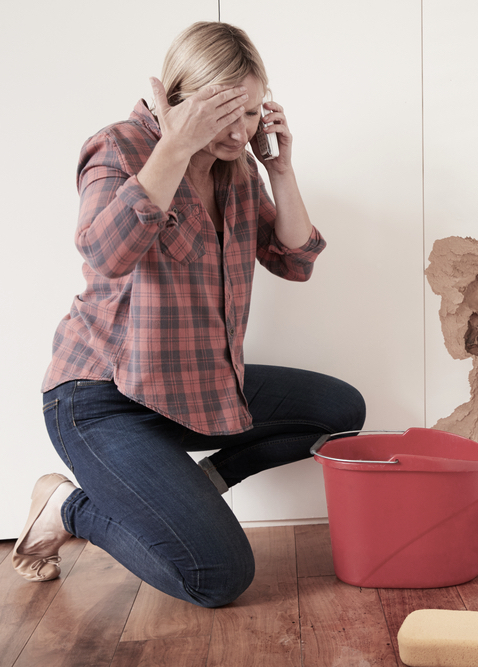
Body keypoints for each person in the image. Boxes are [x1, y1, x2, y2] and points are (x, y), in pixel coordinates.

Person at [12, 22, 365, 608]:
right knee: (218, 578)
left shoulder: (239, 170)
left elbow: (296, 261)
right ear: (177, 98)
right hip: (100, 399)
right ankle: (67, 508)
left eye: (249, 112)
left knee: (338, 412)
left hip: (191, 387)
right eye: (220, 111)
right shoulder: (120, 146)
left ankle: (192, 488)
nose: (237, 130)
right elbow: (105, 252)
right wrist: (173, 147)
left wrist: (279, 168)